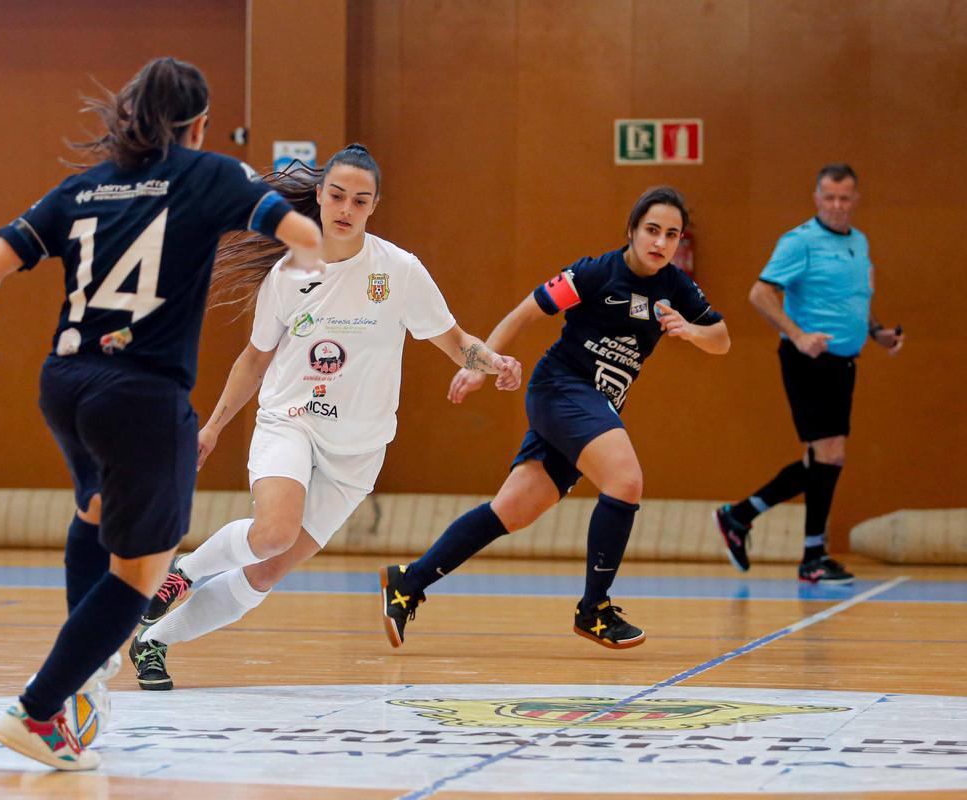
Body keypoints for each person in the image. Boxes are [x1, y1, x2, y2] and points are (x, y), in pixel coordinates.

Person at [0, 56, 322, 770]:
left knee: (95, 513)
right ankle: (39, 710)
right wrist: (306, 267)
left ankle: (85, 663)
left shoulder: (84, 185)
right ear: (199, 124)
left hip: (64, 384)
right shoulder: (210, 173)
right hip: (142, 395)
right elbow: (301, 236)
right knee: (142, 573)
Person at [126, 144, 523, 689]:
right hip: (291, 421)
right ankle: (184, 573)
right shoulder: (288, 274)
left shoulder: (399, 270)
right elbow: (254, 359)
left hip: (359, 451)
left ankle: (153, 641)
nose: (346, 208)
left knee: (266, 570)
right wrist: (213, 426)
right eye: (337, 195)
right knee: (273, 533)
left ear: (374, 206)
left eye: (360, 200)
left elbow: (454, 341)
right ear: (319, 196)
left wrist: (492, 361)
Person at [379, 186, 730, 650]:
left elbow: (721, 338)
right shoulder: (594, 273)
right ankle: (594, 609)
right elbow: (523, 314)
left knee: (513, 511)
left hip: (593, 407)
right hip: (561, 389)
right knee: (625, 480)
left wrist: (690, 331)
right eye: (652, 230)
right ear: (631, 230)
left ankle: (408, 581)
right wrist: (479, 365)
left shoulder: (676, 286)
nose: (661, 242)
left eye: (671, 234)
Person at [714, 163, 903, 584]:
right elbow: (760, 293)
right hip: (809, 361)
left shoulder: (859, 242)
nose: (837, 205)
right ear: (817, 198)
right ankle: (812, 556)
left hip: (843, 362)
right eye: (829, 197)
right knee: (830, 454)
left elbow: (856, 298)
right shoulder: (799, 242)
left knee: (819, 459)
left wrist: (878, 333)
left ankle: (739, 516)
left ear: (855, 199)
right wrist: (798, 336)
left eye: (844, 198)